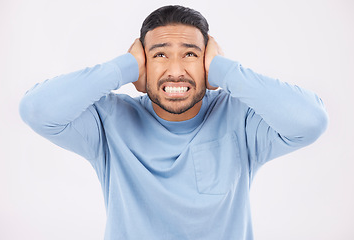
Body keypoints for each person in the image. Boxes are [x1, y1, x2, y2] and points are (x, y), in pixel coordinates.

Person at [19, 5, 328, 240]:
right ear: (143, 65)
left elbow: (310, 121)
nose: (176, 70)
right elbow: (37, 110)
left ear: (207, 60)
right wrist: (122, 67)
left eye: (191, 54)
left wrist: (227, 71)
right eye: (160, 55)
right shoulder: (109, 122)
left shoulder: (240, 118)